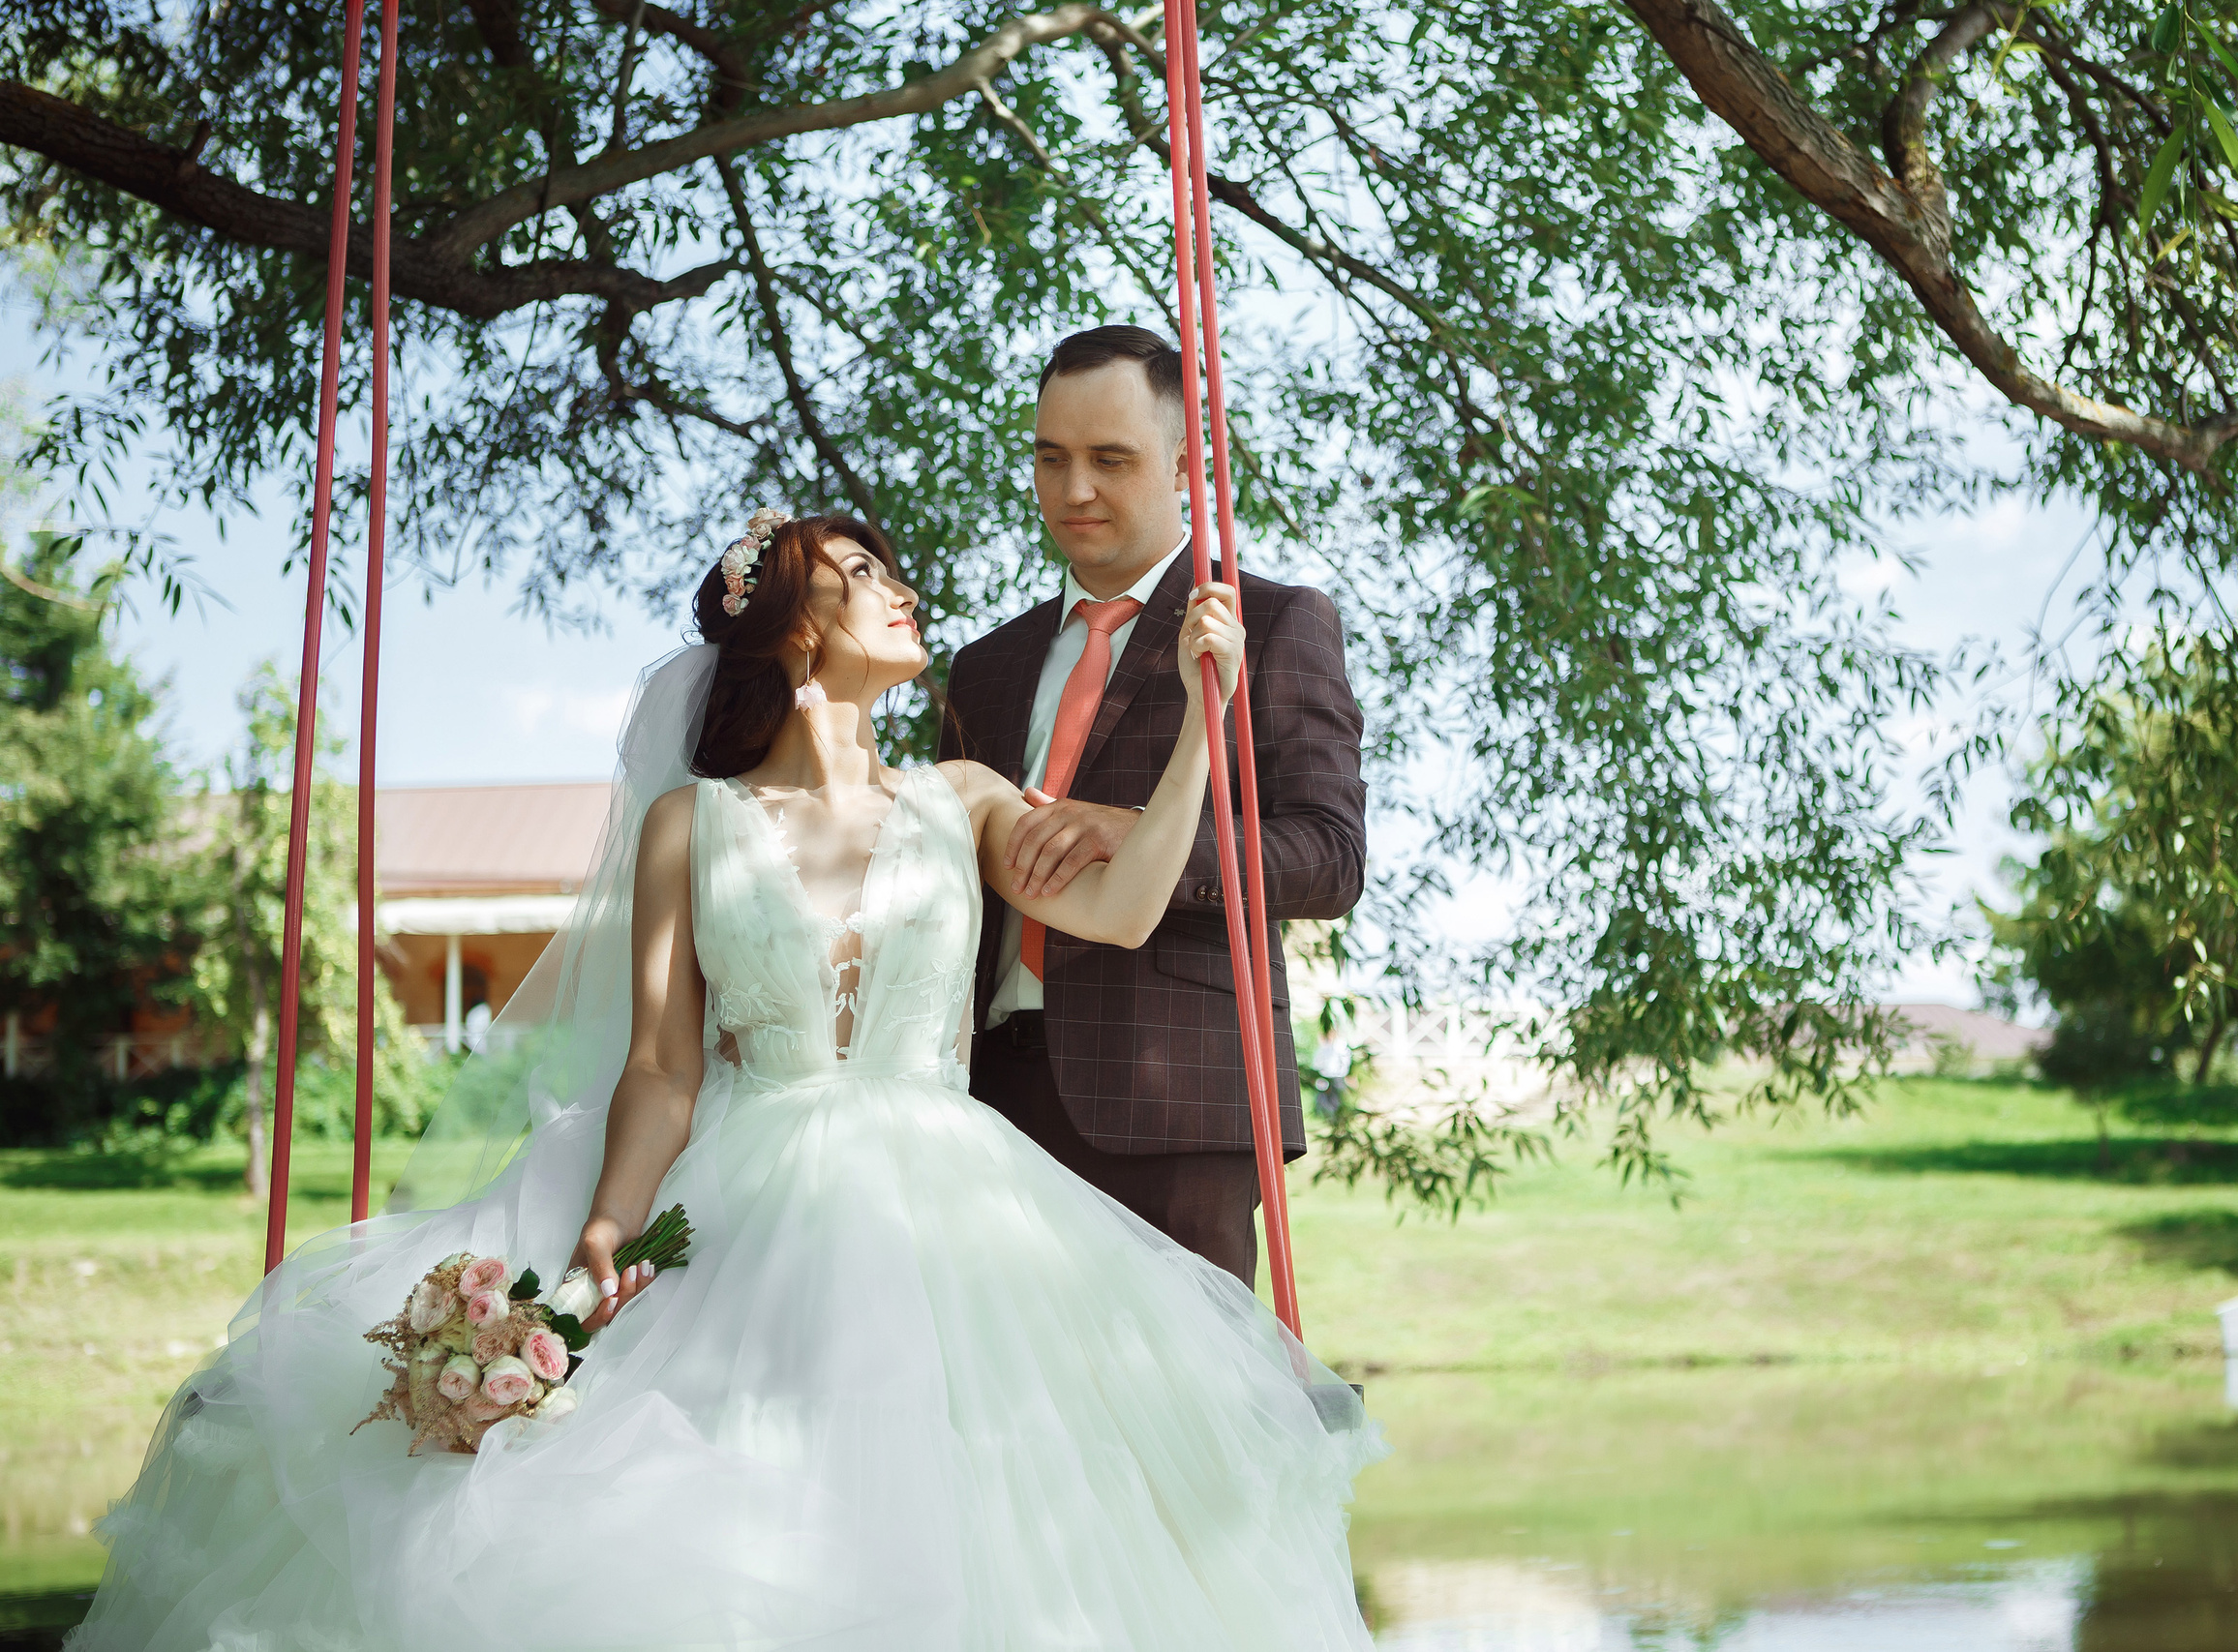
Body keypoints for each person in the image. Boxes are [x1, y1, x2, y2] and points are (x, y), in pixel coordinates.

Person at [68, 512, 1382, 1651]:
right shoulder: (687, 824)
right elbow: (659, 1062)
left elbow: (1129, 901)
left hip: (954, 1199)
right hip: (747, 1193)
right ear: (796, 627)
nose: (901, 587)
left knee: (1004, 1526)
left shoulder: (964, 795)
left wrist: (1206, 729)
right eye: (864, 572)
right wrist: (594, 1247)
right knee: (727, 1517)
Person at [941, 325, 1367, 1287]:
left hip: (1174, 1109)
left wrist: (1143, 838)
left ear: (1187, 459)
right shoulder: (985, 668)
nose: (1073, 489)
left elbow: (1330, 858)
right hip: (978, 1108)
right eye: (1051, 458)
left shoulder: (1270, 624)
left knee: (1183, 1429)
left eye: (1109, 460)